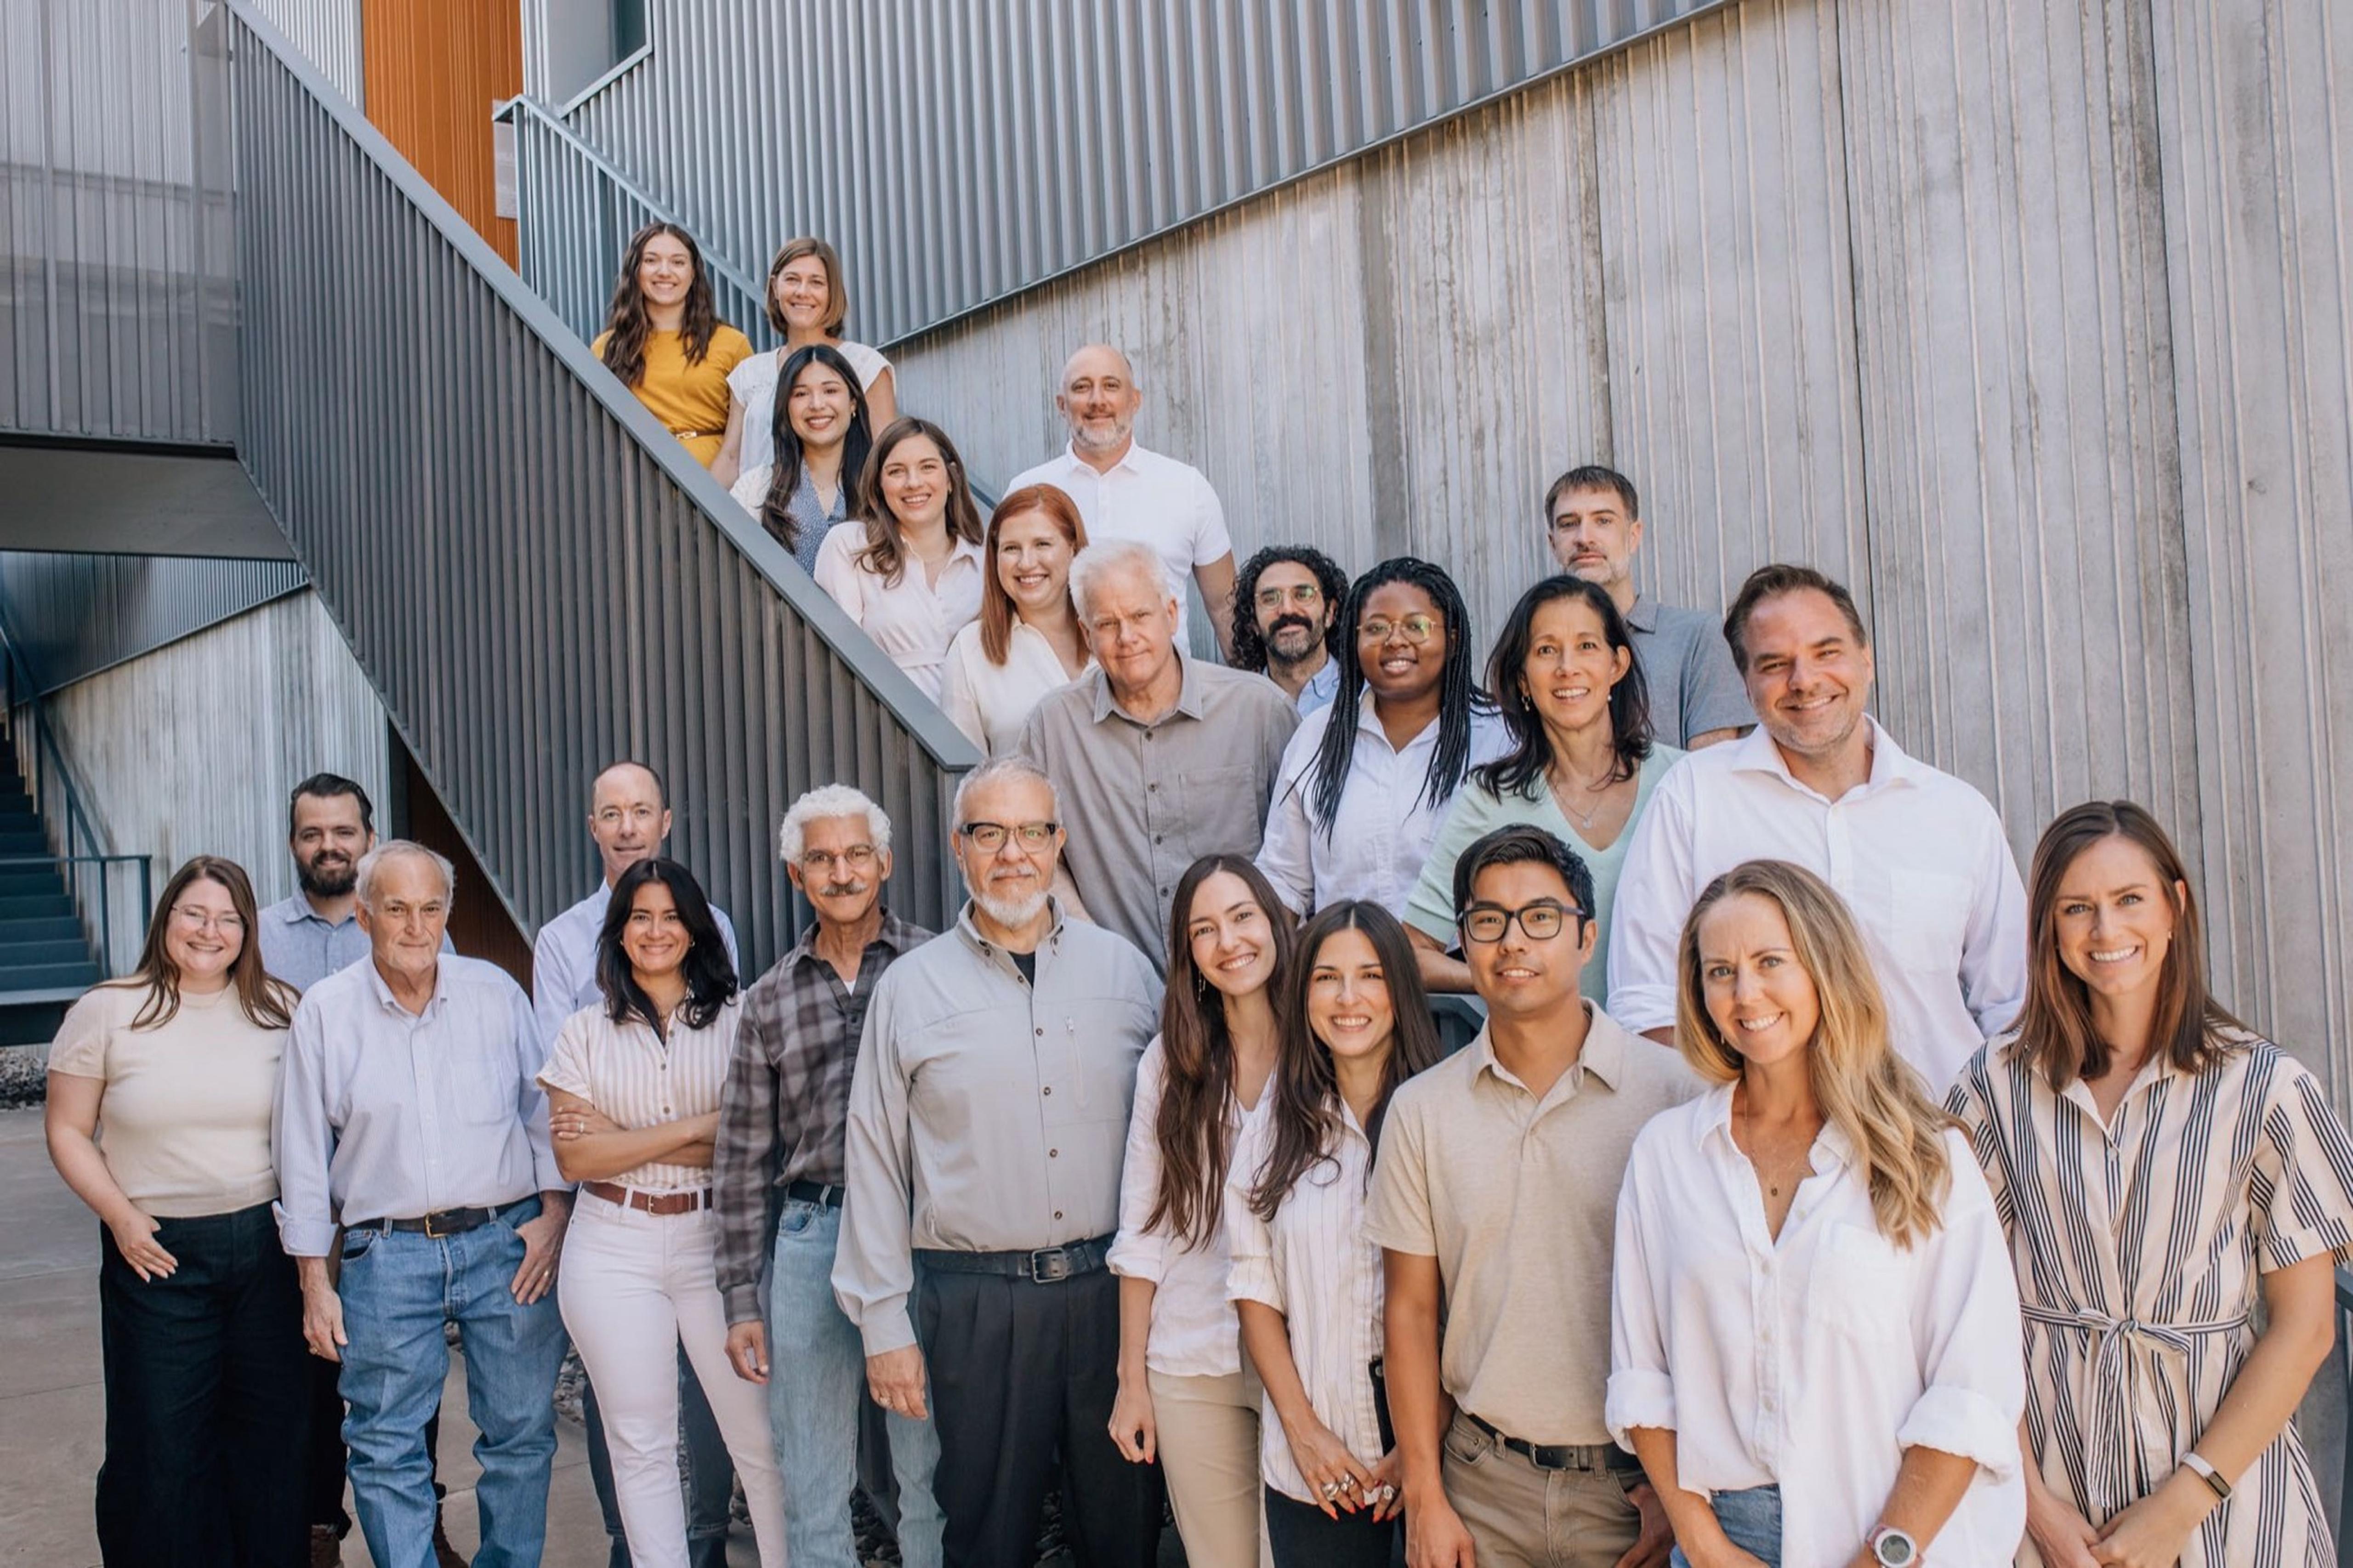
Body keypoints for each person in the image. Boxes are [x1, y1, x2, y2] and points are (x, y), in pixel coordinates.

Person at [1948, 801, 2353, 1568]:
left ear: (2175, 906)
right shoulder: (1992, 1090)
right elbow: (1967, 1317)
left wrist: (2181, 1507)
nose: (2106, 931)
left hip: (2226, 1495)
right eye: (2078, 908)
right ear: (2049, 929)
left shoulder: (2268, 1088)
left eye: (2129, 899)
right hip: (2047, 1500)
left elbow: (2308, 1329)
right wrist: (2035, 1506)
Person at [1610, 858, 2026, 1568]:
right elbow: (1642, 1378)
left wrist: (1884, 1554)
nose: (1746, 993)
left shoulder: (1925, 1156)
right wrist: (1704, 1545)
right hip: (1724, 1541)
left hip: (1894, 1537)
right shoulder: (1666, 1156)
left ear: (1824, 967)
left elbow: (1972, 1389)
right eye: (1720, 971)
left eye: (1772, 961)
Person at [835, 758, 1167, 1567]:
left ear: (1058, 843)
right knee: (986, 1536)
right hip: (974, 1304)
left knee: (1126, 1529)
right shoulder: (909, 990)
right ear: (959, 846)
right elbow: (875, 1159)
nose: (1011, 852)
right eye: (990, 832)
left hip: (1111, 1302)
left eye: (1031, 831)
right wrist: (884, 1325)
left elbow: (1174, 1143)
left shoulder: (1127, 973)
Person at [1369, 824, 1698, 1568]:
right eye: (1488, 921)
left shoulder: (1673, 1093)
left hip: (1634, 1494)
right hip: (1483, 1487)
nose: (1513, 940)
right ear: (1464, 943)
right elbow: (1412, 1311)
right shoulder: (1422, 1111)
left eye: (1541, 917)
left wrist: (1681, 1494)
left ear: (1586, 938)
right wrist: (1424, 1492)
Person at [1608, 563, 2028, 1089]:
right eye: (1774, 663)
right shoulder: (1692, 797)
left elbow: (2011, 1006)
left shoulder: (1957, 814)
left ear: (1865, 659)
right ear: (1746, 683)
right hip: (1759, 1158)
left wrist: (1976, 1139)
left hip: (1939, 1143)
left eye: (1825, 653)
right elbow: (1645, 1002)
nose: (1803, 681)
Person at [273, 842, 571, 1568]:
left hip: (506, 1245)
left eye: (431, 908)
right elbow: (303, 1157)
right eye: (397, 909)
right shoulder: (327, 1012)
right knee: (384, 1443)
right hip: (385, 1253)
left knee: (521, 1434)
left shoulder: (495, 992)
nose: (415, 926)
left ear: (448, 913)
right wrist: (315, 1281)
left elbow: (543, 1116)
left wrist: (555, 1217)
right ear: (366, 913)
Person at [45, 856, 308, 1568]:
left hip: (266, 1249)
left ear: (248, 931)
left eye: (228, 918)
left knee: (268, 1436)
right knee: (161, 1442)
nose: (209, 931)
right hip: (155, 1250)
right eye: (194, 913)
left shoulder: (282, 1009)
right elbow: (68, 1132)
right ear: (166, 918)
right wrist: (121, 1217)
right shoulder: (106, 1010)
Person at [713, 785, 945, 1568]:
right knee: (813, 1480)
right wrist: (741, 1297)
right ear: (795, 875)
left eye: (855, 855)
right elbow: (743, 1155)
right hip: (812, 1236)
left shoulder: (935, 966)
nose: (840, 872)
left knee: (929, 1468)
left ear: (884, 863)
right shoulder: (768, 998)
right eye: (821, 858)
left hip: (918, 1232)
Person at [540, 858, 790, 1568]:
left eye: (672, 916)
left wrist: (620, 1139)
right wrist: (699, 1129)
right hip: (611, 1245)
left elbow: (761, 1136)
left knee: (759, 1438)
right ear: (618, 933)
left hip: (720, 1242)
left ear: (696, 929)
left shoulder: (742, 1019)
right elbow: (577, 1163)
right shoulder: (583, 1032)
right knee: (641, 1445)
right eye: (639, 917)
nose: (656, 931)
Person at [530, 759, 741, 1568]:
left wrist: (633, 1130)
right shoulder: (561, 940)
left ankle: (710, 1541)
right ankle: (635, 1547)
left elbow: (739, 1099)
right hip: (611, 1218)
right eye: (611, 813)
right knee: (634, 1413)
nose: (626, 826)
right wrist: (690, 1127)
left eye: (640, 810)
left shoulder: (707, 917)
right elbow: (570, 1113)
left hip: (706, 1217)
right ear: (594, 828)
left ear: (665, 821)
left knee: (729, 1407)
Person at [253, 774, 459, 1568]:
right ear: (295, 843)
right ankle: (317, 1528)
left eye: (344, 830)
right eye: (313, 833)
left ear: (369, 839)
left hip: (389, 1187)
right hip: (299, 1185)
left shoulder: (416, 932)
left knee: (409, 1370)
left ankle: (423, 1517)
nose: (329, 845)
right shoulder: (262, 936)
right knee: (312, 1363)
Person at [1226, 901, 1440, 1564]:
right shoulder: (1278, 1123)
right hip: (1315, 1468)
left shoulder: (1442, 1114)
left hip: (1436, 1468)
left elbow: (1475, 1301)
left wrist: (1424, 1444)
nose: (1349, 999)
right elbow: (1254, 1284)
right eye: (1327, 978)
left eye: (1371, 976)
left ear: (1400, 991)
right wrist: (1302, 1430)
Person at [1108, 856, 1296, 1565]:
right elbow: (1144, 1228)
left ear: (1275, 919)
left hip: (1306, 1362)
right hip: (1192, 1356)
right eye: (1204, 930)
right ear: (1188, 954)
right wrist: (1132, 1380)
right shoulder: (1171, 1060)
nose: (1229, 943)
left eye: (1243, 917)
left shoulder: (1323, 1041)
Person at [1016, 539, 1299, 971]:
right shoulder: (1053, 726)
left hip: (1248, 985)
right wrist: (1095, 951)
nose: (1126, 637)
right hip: (1112, 991)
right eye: (1107, 624)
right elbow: (1031, 845)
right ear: (1086, 635)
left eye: (1139, 616)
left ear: (1171, 614)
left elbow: (1304, 854)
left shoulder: (1260, 711)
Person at [1405, 576, 1680, 999]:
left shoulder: (1681, 780)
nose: (1567, 667)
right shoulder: (1492, 797)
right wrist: (1502, 978)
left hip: (1668, 1054)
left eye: (1587, 646)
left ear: (1617, 666)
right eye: (1546, 650)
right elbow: (1413, 950)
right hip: (1540, 1058)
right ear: (1522, 680)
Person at [1256, 557, 1507, 920]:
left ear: (1452, 640)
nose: (1394, 641)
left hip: (1458, 970)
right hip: (1344, 967)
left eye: (1416, 626)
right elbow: (1285, 882)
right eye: (1375, 629)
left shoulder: (1497, 738)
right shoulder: (1318, 736)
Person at [1006, 345, 1238, 655]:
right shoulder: (1026, 490)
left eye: (1111, 386)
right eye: (1081, 388)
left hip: (1166, 696)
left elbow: (1227, 610)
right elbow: (1001, 603)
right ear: (1062, 405)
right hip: (1056, 693)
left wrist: (1250, 695)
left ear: (1135, 400)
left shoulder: (1187, 487)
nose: (1097, 400)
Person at [1543, 465, 1748, 750]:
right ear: (1553, 544)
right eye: (1568, 523)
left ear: (1634, 536)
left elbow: (1712, 775)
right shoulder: (1538, 651)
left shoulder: (1699, 638)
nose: (1584, 538)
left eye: (1603, 521)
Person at [814, 417, 987, 702]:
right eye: (896, 472)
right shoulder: (850, 546)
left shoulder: (984, 559)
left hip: (973, 730)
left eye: (928, 467)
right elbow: (841, 659)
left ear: (951, 478)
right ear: (879, 485)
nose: (913, 483)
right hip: (884, 721)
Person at [714, 236, 898, 486]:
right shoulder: (749, 373)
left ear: (831, 292)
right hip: (755, 519)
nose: (803, 292)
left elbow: (888, 455)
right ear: (775, 287)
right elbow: (731, 458)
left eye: (816, 282)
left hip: (846, 518)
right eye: (792, 280)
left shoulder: (865, 366)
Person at [939, 484, 1094, 756]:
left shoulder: (1115, 630)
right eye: (1011, 549)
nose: (1026, 563)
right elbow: (966, 773)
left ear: (1073, 548)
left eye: (1042, 544)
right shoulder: (971, 649)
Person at [594, 222, 754, 468]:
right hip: (635, 484)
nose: (665, 271)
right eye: (651, 261)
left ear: (693, 274)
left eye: (678, 262)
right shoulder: (608, 347)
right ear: (635, 271)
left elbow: (750, 437)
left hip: (718, 489)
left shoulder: (732, 343)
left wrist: (713, 496)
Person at [727, 342, 876, 576]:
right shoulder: (754, 489)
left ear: (853, 403)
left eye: (830, 391)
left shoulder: (883, 484)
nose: (817, 405)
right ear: (785, 408)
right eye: (801, 394)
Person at [1232, 545, 1349, 713]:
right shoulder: (1237, 709)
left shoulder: (1366, 696)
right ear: (1253, 622)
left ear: (1330, 613)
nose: (1287, 609)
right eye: (1270, 598)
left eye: (1303, 595)